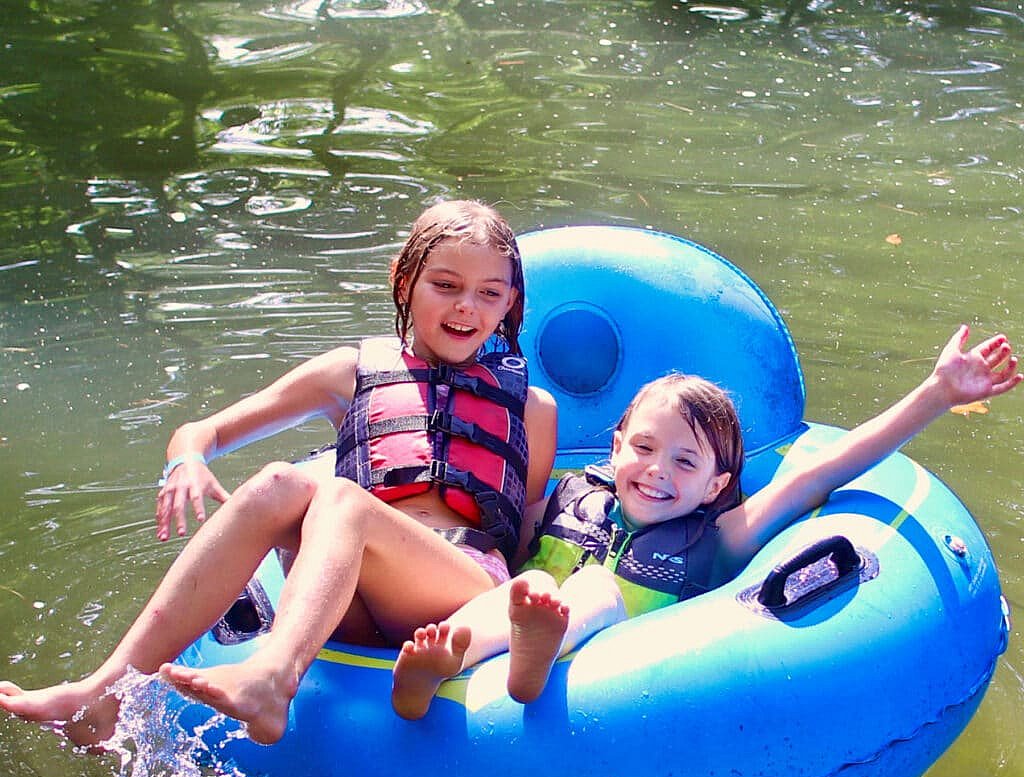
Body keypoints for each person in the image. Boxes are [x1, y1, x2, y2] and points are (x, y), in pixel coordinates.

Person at [0, 199, 558, 747]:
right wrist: (187, 461)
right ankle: (104, 693)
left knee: (339, 499)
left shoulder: (532, 409)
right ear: (405, 279)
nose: (466, 307)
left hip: (460, 584)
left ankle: (273, 678)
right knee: (277, 482)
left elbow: (522, 529)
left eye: (489, 294)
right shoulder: (350, 372)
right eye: (445, 285)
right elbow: (203, 432)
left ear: (510, 302)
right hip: (349, 594)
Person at [391, 324, 1020, 719]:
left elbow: (820, 473)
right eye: (643, 448)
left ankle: (540, 648)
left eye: (685, 462)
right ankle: (446, 656)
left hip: (619, 671)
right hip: (520, 619)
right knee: (521, 585)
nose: (656, 470)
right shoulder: (566, 499)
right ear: (615, 447)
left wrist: (938, 393)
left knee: (593, 588)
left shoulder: (719, 538)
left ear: (716, 485)